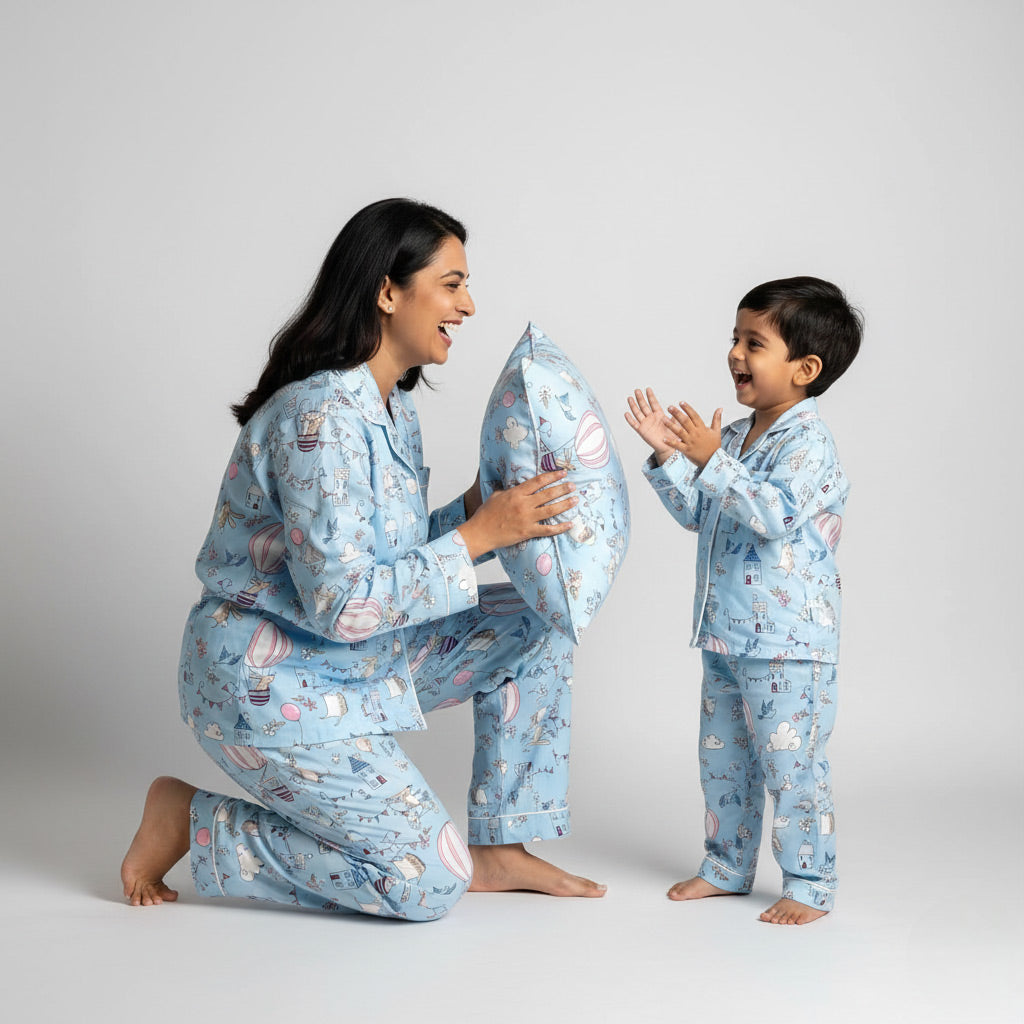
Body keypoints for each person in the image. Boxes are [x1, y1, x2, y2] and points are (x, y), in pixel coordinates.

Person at [121, 198, 607, 920]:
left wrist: (475, 512)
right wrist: (478, 538)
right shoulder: (317, 421)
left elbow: (382, 560)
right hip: (275, 679)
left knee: (541, 620)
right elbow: (345, 604)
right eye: (451, 284)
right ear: (387, 292)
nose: (468, 305)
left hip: (356, 659)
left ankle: (502, 847)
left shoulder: (390, 407)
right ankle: (191, 822)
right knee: (426, 885)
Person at [624, 277, 861, 925]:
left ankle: (810, 882)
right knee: (724, 762)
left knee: (791, 766)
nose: (734, 353)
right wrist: (670, 456)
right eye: (735, 338)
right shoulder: (731, 438)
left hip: (788, 643)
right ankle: (727, 867)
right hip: (725, 635)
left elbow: (773, 514)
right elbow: (701, 514)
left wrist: (710, 461)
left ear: (805, 369)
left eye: (754, 343)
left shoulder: (808, 444)